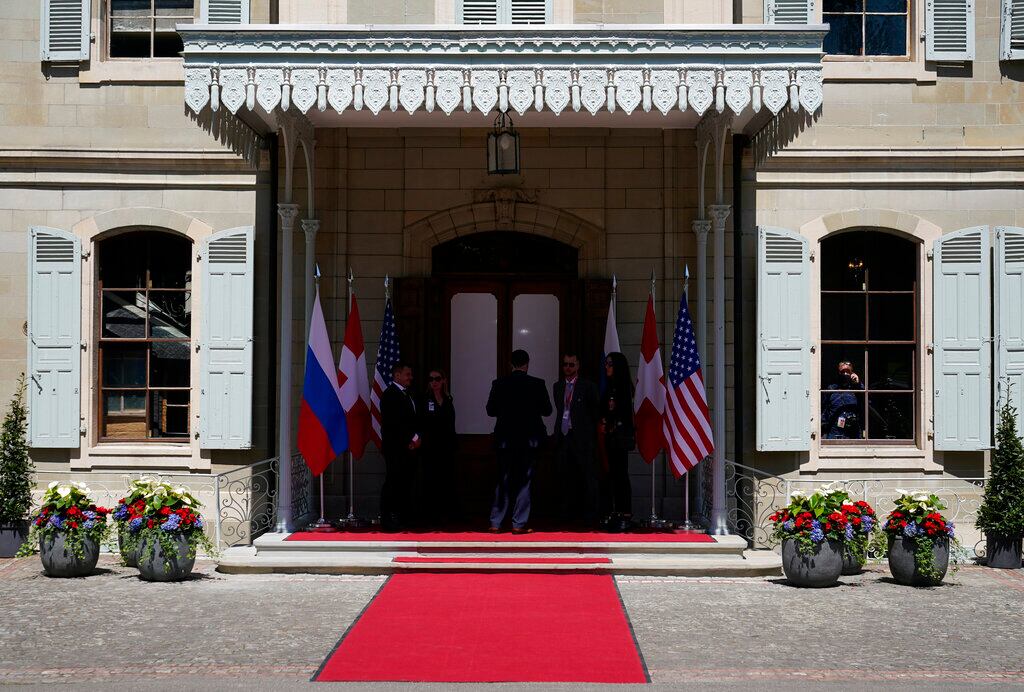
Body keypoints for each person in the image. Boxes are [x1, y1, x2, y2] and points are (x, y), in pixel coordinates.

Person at [485, 349, 553, 534]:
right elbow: (547, 410)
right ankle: (518, 523)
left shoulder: (499, 384)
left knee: (503, 479)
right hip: (529, 440)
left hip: (505, 440)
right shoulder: (537, 384)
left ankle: (496, 522)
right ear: (527, 364)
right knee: (525, 482)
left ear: (511, 364)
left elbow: (490, 410)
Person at [552, 352, 601, 528]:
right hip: (564, 437)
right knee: (564, 476)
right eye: (565, 364)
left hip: (582, 438)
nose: (568, 368)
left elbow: (595, 412)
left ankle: (590, 514)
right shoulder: (557, 386)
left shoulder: (588, 386)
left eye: (571, 365)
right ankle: (565, 513)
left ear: (578, 366)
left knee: (587, 477)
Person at [379, 362, 420, 531]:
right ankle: (389, 518)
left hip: (408, 448)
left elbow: (413, 419)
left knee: (405, 482)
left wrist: (417, 437)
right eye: (407, 374)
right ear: (397, 375)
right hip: (395, 448)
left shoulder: (408, 394)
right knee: (393, 482)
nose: (410, 377)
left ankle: (403, 516)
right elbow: (394, 423)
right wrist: (410, 438)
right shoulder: (390, 395)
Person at [417, 368, 457, 527]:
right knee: (430, 479)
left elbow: (451, 423)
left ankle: (445, 513)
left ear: (443, 381)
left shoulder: (448, 399)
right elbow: (420, 421)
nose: (434, 382)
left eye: (437, 379)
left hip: (445, 446)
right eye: (431, 379)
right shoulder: (424, 399)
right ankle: (429, 514)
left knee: (445, 479)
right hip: (429, 446)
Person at [601, 352, 636, 528]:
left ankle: (625, 512)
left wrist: (613, 420)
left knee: (621, 474)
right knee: (613, 475)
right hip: (610, 437)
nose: (606, 367)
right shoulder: (609, 386)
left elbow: (624, 414)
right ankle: (615, 510)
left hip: (620, 437)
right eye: (606, 363)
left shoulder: (623, 387)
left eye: (610, 364)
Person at [822, 360, 864, 440]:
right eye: (843, 371)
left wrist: (857, 383)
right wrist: (822, 425)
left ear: (852, 373)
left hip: (852, 429)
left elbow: (865, 399)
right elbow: (824, 407)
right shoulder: (832, 388)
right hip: (834, 430)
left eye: (848, 371)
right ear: (839, 373)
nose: (845, 374)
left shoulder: (856, 388)